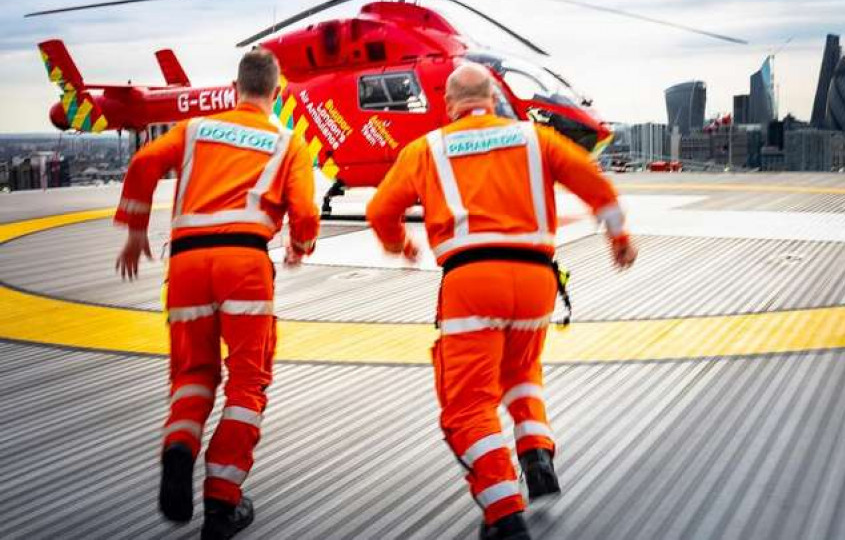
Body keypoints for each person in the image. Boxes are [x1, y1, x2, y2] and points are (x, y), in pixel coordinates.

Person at [366, 63, 637, 540]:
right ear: (492, 98)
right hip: (536, 282)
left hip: (472, 281)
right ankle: (535, 451)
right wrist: (618, 238)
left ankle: (503, 513)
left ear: (449, 104)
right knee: (521, 373)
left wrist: (399, 245)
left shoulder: (427, 149)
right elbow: (597, 186)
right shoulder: (535, 138)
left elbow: (380, 209)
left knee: (468, 407)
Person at [113, 49, 319, 539]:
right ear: (278, 91)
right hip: (244, 264)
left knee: (192, 374)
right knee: (247, 383)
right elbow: (306, 211)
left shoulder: (197, 129)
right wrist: (300, 245)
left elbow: (144, 160)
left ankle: (180, 444)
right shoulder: (288, 142)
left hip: (185, 264)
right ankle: (222, 504)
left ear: (233, 87)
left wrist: (136, 229)